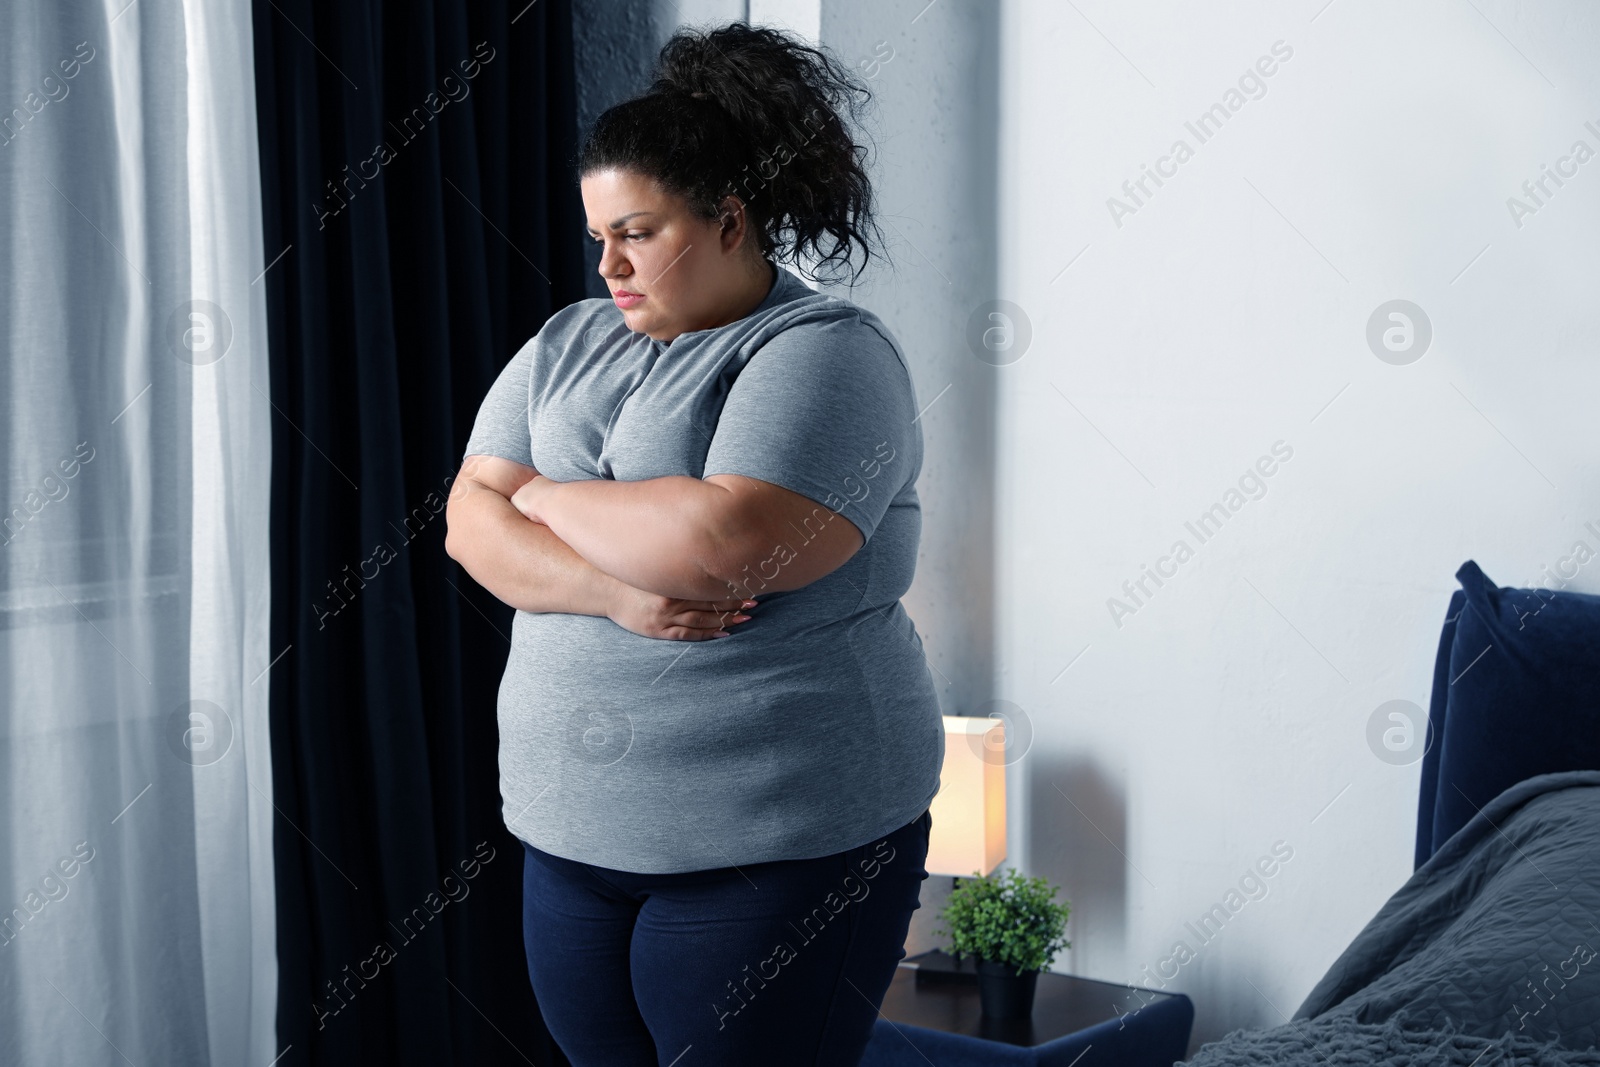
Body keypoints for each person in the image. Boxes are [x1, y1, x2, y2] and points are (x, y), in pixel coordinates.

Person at [444, 21, 943, 1066]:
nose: (608, 262)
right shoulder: (563, 343)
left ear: (728, 219)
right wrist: (619, 593)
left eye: (637, 230)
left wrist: (536, 488)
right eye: (598, 236)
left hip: (781, 843)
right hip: (569, 832)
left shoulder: (824, 355)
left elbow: (726, 547)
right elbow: (467, 528)